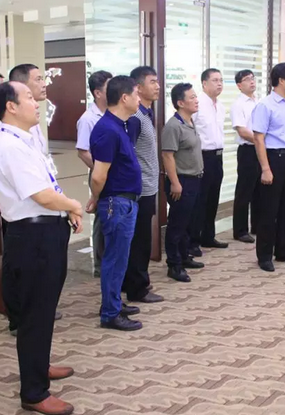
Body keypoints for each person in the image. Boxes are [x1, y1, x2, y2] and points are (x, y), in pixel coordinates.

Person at [0, 81, 83, 415]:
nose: (36, 102)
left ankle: (39, 366)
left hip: (45, 231)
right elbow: (41, 195)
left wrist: (65, 209)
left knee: (43, 310)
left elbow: (47, 185)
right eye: (29, 97)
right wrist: (73, 204)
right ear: (11, 106)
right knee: (34, 315)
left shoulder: (25, 139)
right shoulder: (10, 146)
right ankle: (33, 392)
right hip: (32, 237)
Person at [0, 63, 61, 336]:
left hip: (42, 211)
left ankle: (33, 313)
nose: (43, 84)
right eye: (37, 80)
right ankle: (18, 317)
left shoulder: (30, 125)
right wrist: (72, 205)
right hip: (26, 213)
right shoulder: (8, 133)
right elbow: (12, 172)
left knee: (40, 289)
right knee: (19, 269)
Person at [87, 76, 143, 331]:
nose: (139, 99)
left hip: (124, 201)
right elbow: (99, 175)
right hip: (115, 202)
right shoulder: (108, 129)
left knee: (120, 258)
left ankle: (113, 303)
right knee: (114, 259)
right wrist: (95, 197)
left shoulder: (120, 125)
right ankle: (110, 313)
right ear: (124, 98)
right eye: (136, 94)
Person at [251, 62, 285, 273]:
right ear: (281, 80)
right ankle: (264, 255)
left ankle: (282, 250)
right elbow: (259, 138)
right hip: (274, 159)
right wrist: (265, 169)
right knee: (269, 210)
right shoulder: (265, 105)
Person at [123, 66, 164, 303]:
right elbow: (128, 154)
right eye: (152, 82)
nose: (157, 86)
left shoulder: (147, 113)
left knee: (141, 238)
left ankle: (134, 281)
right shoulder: (135, 118)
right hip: (140, 189)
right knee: (139, 241)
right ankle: (137, 288)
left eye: (157, 81)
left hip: (149, 185)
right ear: (138, 87)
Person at [162, 83, 205, 282]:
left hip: (195, 179)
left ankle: (184, 256)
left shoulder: (189, 121)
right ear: (180, 103)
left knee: (188, 222)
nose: (196, 100)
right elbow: (167, 155)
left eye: (196, 96)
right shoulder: (173, 126)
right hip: (181, 181)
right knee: (177, 225)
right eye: (192, 97)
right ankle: (174, 265)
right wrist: (175, 182)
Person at [188, 68, 229, 257]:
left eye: (221, 80)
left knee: (213, 198)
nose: (219, 84)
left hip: (217, 156)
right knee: (200, 200)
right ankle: (193, 241)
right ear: (204, 83)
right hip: (202, 156)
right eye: (215, 80)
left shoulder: (220, 106)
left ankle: (208, 236)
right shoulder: (197, 104)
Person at [76, 70, 112, 279]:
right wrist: (100, 169)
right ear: (98, 93)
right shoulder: (88, 119)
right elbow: (82, 151)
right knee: (103, 217)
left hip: (114, 174)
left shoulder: (114, 113)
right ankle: (100, 264)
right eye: (109, 87)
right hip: (101, 175)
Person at [231, 69, 260, 244]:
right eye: (247, 79)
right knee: (244, 190)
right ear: (239, 85)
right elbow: (242, 131)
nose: (252, 81)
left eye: (252, 78)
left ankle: (256, 225)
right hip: (248, 151)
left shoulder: (259, 101)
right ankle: (240, 230)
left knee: (260, 190)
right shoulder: (238, 104)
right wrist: (260, 141)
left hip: (260, 150)